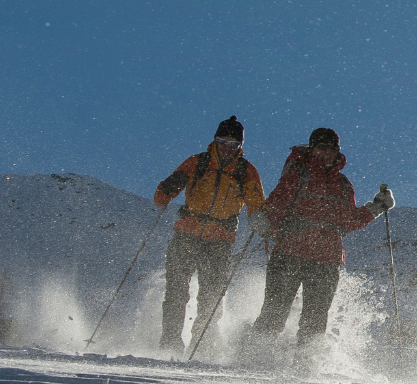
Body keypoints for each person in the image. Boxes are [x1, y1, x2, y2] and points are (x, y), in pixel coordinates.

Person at [247, 127, 393, 348]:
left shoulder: (343, 184)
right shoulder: (298, 173)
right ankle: (253, 357)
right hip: (289, 253)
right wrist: (264, 219)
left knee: (315, 322)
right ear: (312, 148)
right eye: (322, 148)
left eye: (332, 149)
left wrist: (377, 207)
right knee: (274, 314)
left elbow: (348, 222)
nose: (327, 153)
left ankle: (306, 367)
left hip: (327, 260)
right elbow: (278, 202)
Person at [152, 116, 265, 356]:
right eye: (222, 141)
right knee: (176, 292)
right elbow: (161, 197)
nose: (226, 147)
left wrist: (260, 221)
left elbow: (256, 204)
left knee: (211, 297)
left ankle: (203, 346)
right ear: (214, 140)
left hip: (220, 241)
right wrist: (167, 189)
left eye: (232, 143)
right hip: (186, 234)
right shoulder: (197, 162)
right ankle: (170, 343)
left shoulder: (246, 171)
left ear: (240, 146)